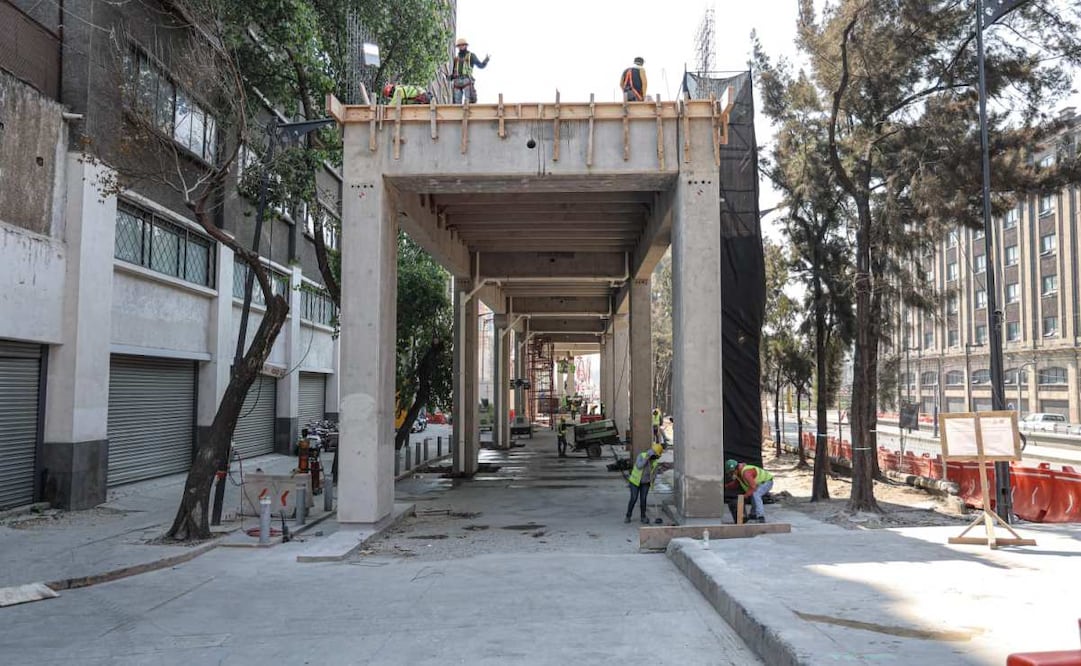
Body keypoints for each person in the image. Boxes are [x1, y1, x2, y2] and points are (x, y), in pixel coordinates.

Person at [724, 459, 774, 523]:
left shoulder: (746, 472)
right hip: (758, 484)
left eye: (731, 472)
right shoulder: (739, 473)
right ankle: (753, 514)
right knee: (753, 494)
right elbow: (736, 483)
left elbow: (753, 487)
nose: (731, 475)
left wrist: (746, 495)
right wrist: (726, 486)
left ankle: (761, 517)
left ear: (735, 469)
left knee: (756, 494)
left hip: (766, 482)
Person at [626, 443, 663, 524]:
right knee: (634, 498)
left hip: (645, 483)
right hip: (635, 482)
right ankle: (628, 516)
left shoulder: (655, 463)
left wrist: (652, 483)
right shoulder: (641, 456)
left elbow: (654, 475)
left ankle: (643, 517)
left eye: (656, 455)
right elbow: (639, 466)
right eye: (654, 454)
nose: (655, 457)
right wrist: (646, 459)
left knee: (643, 499)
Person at [451, 38, 489, 104]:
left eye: (463, 45)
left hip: (467, 79)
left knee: (468, 101)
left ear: (466, 46)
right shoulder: (456, 58)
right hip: (457, 80)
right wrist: (450, 77)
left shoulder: (471, 56)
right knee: (457, 102)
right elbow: (454, 72)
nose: (461, 47)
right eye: (460, 45)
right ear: (458, 47)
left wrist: (485, 61)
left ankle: (467, 110)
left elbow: (480, 65)